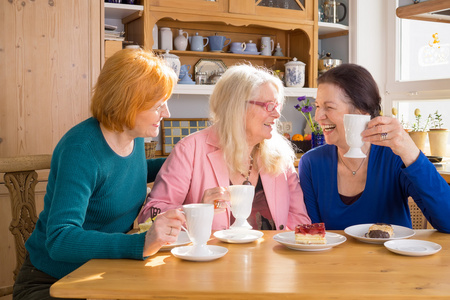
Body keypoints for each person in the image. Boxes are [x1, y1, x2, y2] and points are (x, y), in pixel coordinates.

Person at [13, 49, 186, 300]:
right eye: (160, 105)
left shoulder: (132, 137)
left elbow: (127, 174)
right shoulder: (81, 150)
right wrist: (140, 243)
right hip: (53, 282)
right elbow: (60, 239)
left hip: (101, 271)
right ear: (129, 102)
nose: (167, 113)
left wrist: (185, 158)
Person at [139, 64, 311, 231]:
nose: (277, 114)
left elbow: (299, 221)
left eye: (277, 105)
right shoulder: (189, 150)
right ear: (236, 107)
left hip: (270, 258)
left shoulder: (280, 154)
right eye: (268, 106)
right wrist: (198, 210)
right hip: (210, 258)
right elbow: (149, 216)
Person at [299, 63, 450, 232]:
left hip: (393, 258)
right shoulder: (311, 163)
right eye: (318, 106)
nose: (318, 116)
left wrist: (410, 150)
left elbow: (448, 221)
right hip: (335, 259)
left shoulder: (394, 157)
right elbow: (313, 237)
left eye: (329, 107)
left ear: (362, 111)